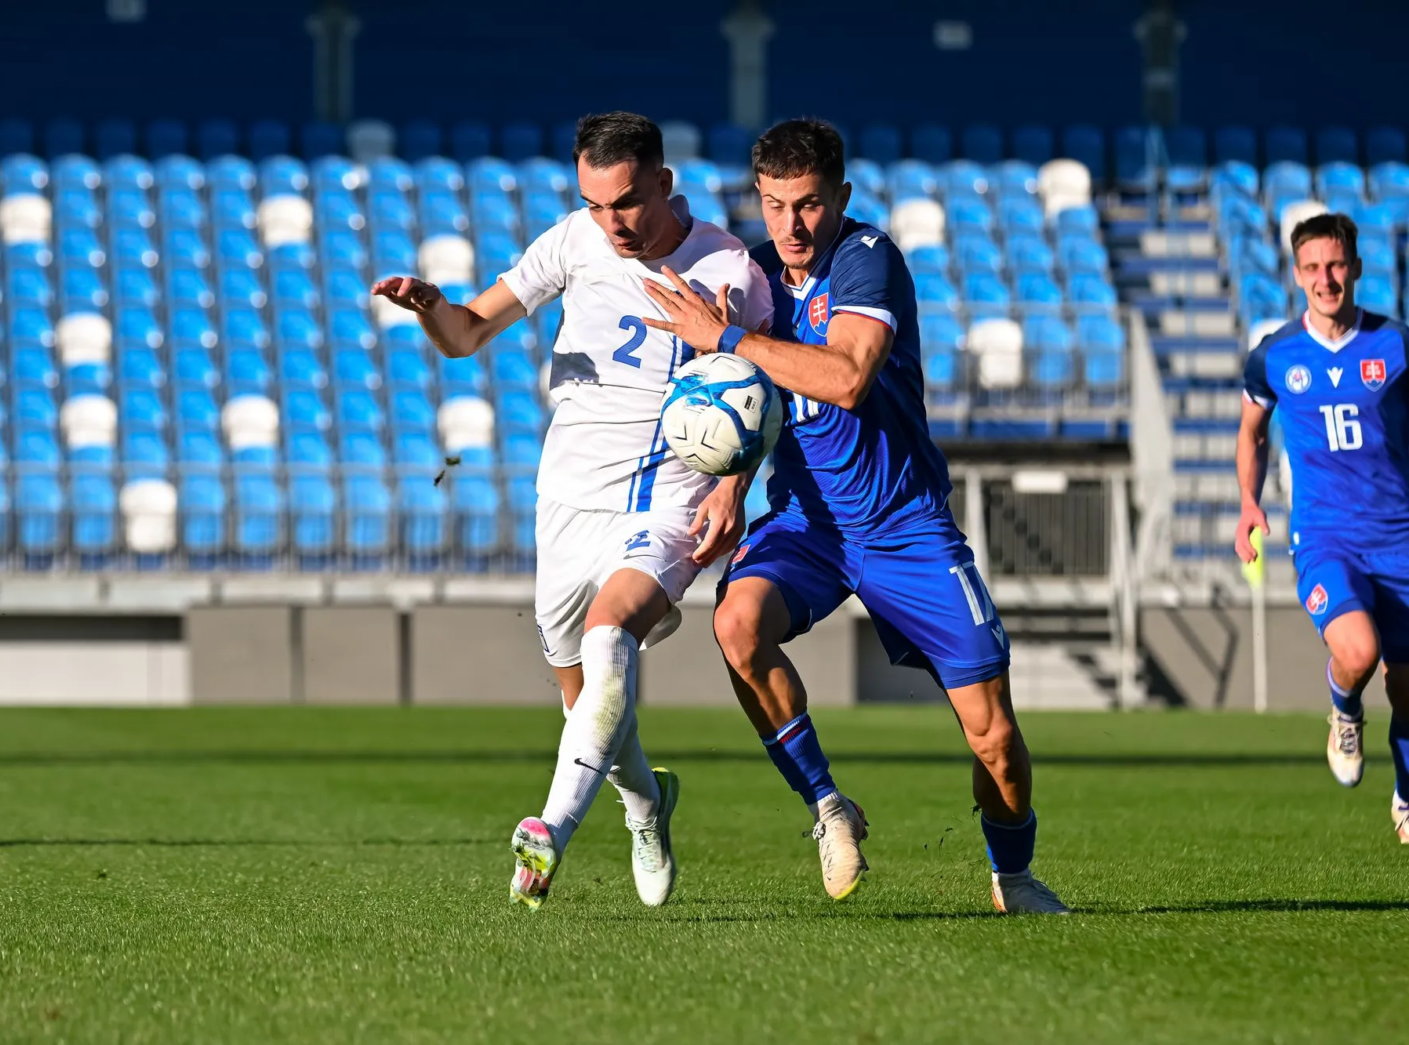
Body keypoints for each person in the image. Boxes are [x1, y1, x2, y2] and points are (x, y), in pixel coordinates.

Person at [641, 118, 1070, 913]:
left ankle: (1012, 874)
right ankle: (827, 806)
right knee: (736, 623)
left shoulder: (868, 259)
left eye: (808, 204)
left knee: (997, 741)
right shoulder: (755, 276)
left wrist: (726, 335)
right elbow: (749, 401)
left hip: (905, 525)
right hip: (808, 524)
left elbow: (844, 379)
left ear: (840, 196)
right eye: (774, 206)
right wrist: (731, 486)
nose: (792, 226)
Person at [373, 111, 774, 908]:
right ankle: (646, 806)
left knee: (609, 634)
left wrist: (733, 485)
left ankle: (548, 831)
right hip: (566, 498)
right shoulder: (572, 241)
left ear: (663, 182)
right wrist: (429, 305)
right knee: (588, 700)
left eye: (625, 201)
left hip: (665, 498)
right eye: (595, 203)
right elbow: (466, 334)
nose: (611, 222)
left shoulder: (728, 265)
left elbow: (758, 391)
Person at [1236, 212, 1409, 842]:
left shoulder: (1396, 344)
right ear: (1296, 274)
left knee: (1407, 686)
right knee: (1359, 652)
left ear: (1356, 268)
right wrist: (1249, 504)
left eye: (1336, 265)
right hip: (1325, 538)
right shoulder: (1275, 355)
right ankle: (1344, 709)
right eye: (1312, 267)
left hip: (1400, 536)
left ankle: (1407, 797)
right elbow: (1252, 434)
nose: (1325, 279)